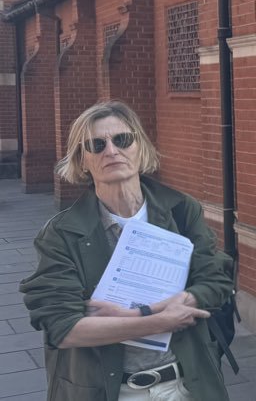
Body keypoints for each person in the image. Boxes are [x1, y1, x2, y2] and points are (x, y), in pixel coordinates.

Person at [21, 101, 235, 401]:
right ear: (83, 160)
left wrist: (150, 309)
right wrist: (159, 321)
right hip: (111, 391)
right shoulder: (61, 234)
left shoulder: (182, 210)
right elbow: (63, 328)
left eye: (122, 139)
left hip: (186, 385)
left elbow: (216, 279)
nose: (111, 151)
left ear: (140, 147)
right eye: (96, 144)